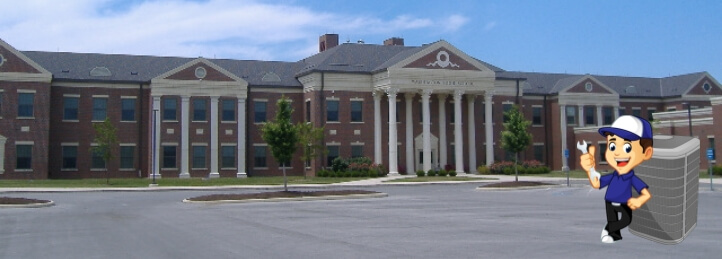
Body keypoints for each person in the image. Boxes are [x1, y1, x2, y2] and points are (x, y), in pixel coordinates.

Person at [580, 115, 653, 243]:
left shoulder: (632, 177)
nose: (617, 153)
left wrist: (639, 200)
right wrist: (589, 170)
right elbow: (596, 184)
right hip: (609, 201)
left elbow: (645, 193)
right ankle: (614, 235)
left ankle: (608, 229)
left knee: (626, 220)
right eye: (612, 146)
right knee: (613, 219)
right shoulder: (613, 176)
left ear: (646, 153)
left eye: (627, 147)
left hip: (624, 202)